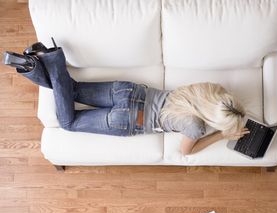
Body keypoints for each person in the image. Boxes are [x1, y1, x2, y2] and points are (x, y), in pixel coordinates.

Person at [3, 39, 249, 155]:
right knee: (69, 123)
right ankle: (49, 63)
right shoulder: (196, 126)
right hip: (130, 119)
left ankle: (35, 64)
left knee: (72, 89)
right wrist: (222, 135)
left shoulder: (207, 90)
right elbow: (186, 152)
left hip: (130, 91)